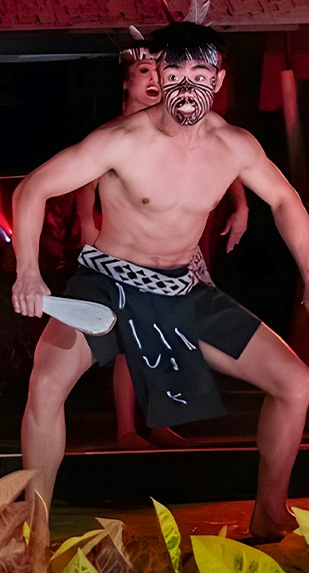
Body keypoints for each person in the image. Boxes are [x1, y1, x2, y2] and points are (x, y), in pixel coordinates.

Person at [12, 12, 309, 540]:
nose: (189, 89)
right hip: (108, 287)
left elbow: (284, 199)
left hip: (180, 289)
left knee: (295, 382)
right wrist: (28, 271)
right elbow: (32, 190)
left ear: (218, 80)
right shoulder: (121, 140)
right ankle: (37, 533)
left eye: (201, 78)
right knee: (46, 384)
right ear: (160, 76)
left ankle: (269, 512)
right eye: (177, 77)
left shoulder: (235, 146)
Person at [74, 32, 248, 448]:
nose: (153, 79)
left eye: (158, 71)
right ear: (127, 82)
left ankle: (160, 419)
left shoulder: (179, 124)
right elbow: (85, 191)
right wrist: (89, 234)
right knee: (124, 343)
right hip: (119, 257)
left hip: (176, 262)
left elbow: (227, 157)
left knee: (171, 337)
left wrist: (240, 204)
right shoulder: (114, 133)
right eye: (143, 71)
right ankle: (126, 430)